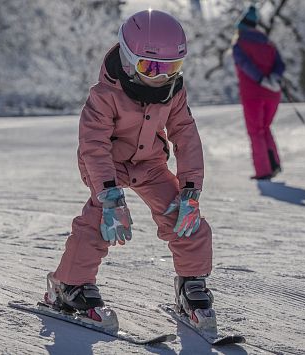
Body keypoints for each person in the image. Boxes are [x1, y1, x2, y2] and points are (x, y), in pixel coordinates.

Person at [45, 9, 214, 326]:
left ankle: (191, 283)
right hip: (107, 164)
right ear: (128, 58)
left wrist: (191, 190)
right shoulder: (104, 95)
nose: (161, 76)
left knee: (184, 216)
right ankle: (68, 286)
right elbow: (93, 146)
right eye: (151, 67)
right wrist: (109, 196)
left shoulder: (172, 90)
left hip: (149, 163)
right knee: (99, 220)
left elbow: (186, 136)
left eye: (172, 68)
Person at [232, 5, 285, 180]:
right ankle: (274, 164)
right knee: (265, 128)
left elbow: (245, 65)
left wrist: (262, 80)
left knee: (256, 131)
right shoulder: (268, 42)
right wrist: (274, 79)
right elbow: (280, 64)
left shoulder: (239, 44)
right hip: (273, 93)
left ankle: (263, 171)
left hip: (253, 94)